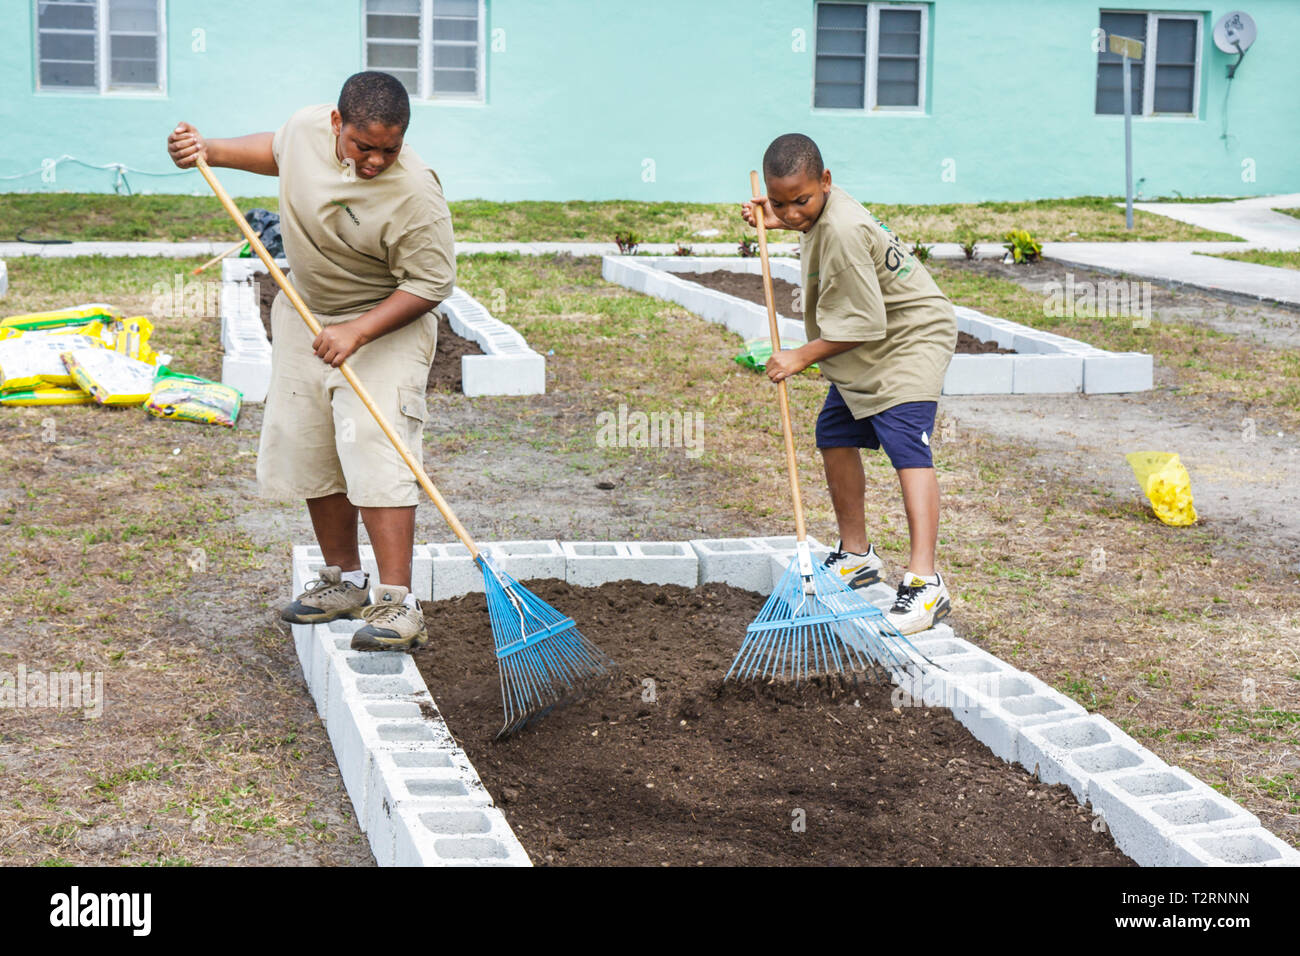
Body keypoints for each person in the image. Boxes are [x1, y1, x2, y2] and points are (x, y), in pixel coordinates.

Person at [167, 72, 455, 651]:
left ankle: (398, 605)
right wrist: (210, 150)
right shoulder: (305, 129)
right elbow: (277, 152)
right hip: (306, 312)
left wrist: (358, 331)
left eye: (389, 148)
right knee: (312, 444)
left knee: (377, 449)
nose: (375, 160)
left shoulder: (416, 193)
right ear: (336, 125)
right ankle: (344, 582)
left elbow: (431, 284)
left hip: (384, 321)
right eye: (363, 146)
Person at [742, 133, 956, 635]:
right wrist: (779, 220)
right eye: (779, 202)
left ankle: (926, 584)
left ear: (826, 182)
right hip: (868, 342)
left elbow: (863, 324)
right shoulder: (820, 213)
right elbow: (812, 228)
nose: (792, 212)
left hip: (908, 340)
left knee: (908, 449)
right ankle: (856, 555)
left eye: (800, 201)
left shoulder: (840, 229)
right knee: (835, 433)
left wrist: (799, 356)